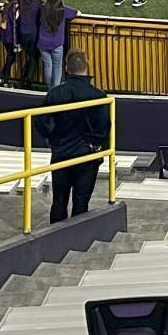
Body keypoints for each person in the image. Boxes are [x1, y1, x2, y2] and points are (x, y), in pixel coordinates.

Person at [38, 49, 108, 223]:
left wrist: (53, 139)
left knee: (59, 202)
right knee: (81, 203)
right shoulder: (99, 96)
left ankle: (54, 241)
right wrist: (94, 145)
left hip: (61, 154)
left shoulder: (55, 94)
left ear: (66, 68)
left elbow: (41, 121)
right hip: (87, 157)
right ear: (87, 66)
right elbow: (104, 128)